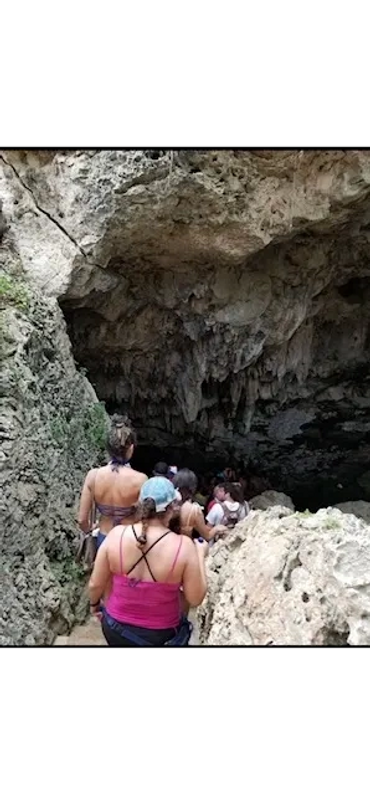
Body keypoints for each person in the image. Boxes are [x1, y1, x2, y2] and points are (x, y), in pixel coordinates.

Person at [88, 477, 209, 645]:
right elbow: (195, 598)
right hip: (161, 635)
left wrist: (94, 605)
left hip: (115, 629)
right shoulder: (184, 546)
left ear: (140, 504)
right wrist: (200, 555)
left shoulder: (116, 535)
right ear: (173, 508)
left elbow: (95, 583)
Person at [78, 415, 147, 549]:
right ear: (131, 448)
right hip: (127, 539)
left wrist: (89, 530)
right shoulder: (140, 480)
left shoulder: (93, 476)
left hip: (103, 539)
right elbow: (143, 517)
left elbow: (81, 520)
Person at [173, 468, 226, 541]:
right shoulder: (193, 510)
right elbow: (207, 536)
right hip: (185, 547)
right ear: (193, 486)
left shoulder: (169, 506)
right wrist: (217, 528)